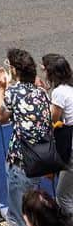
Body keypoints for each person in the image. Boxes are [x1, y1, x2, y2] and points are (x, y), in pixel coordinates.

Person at [0, 48, 53, 226]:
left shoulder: (13, 93)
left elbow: (1, 116)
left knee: (24, 219)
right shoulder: (41, 93)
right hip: (39, 161)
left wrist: (1, 88)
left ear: (13, 70)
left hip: (20, 163)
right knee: (27, 208)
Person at [41, 54, 73, 217]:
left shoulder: (59, 93)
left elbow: (52, 118)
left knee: (63, 197)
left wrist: (42, 95)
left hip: (70, 146)